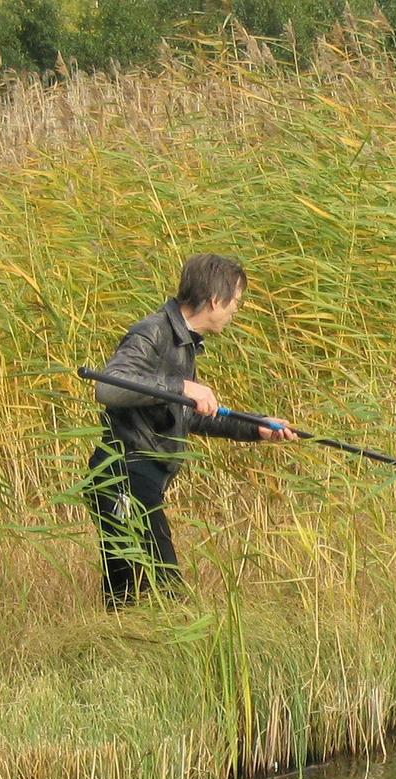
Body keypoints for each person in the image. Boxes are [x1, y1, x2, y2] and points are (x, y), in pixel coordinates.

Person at [85, 253, 298, 607]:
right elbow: (108, 387)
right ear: (216, 300)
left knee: (133, 593)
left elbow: (192, 416)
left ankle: (126, 654)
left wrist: (258, 427)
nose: (235, 311)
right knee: (159, 589)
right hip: (121, 474)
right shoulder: (152, 332)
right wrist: (180, 387)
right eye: (236, 302)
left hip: (143, 478)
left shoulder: (184, 343)